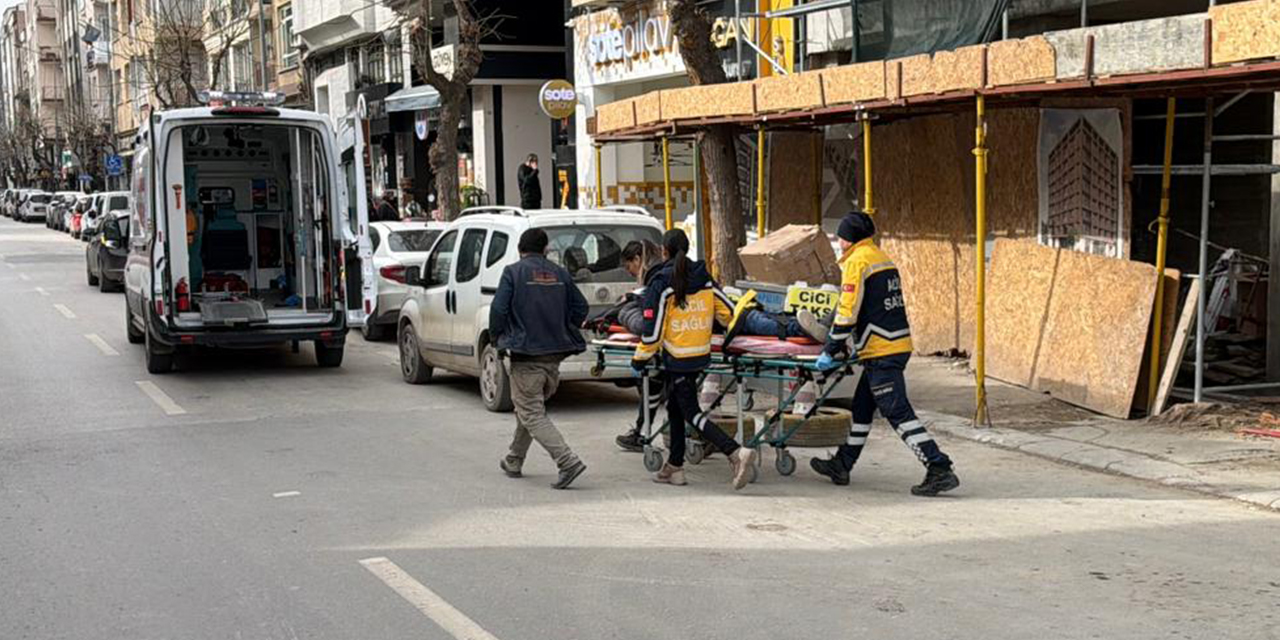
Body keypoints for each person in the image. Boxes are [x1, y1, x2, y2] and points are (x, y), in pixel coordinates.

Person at [810, 211, 959, 497]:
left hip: (881, 350)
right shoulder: (882, 258)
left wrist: (831, 348)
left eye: (840, 236)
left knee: (896, 411)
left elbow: (848, 311)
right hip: (895, 344)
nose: (839, 241)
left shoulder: (856, 262)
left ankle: (939, 466)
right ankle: (843, 463)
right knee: (863, 408)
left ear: (849, 238)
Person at [633, 229, 758, 489]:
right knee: (676, 408)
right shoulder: (704, 278)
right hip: (700, 355)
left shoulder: (661, 283)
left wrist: (640, 358)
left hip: (677, 357)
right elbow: (729, 312)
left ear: (664, 251)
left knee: (691, 412)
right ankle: (675, 467)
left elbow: (653, 330)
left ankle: (735, 452)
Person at [490, 228, 589, 490]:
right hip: (554, 357)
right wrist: (564, 327)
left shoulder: (513, 272)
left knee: (531, 412)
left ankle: (567, 461)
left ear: (520, 249)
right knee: (530, 408)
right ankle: (514, 459)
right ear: (545, 249)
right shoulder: (560, 273)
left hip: (526, 355)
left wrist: (497, 339)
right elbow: (581, 308)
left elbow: (498, 309)